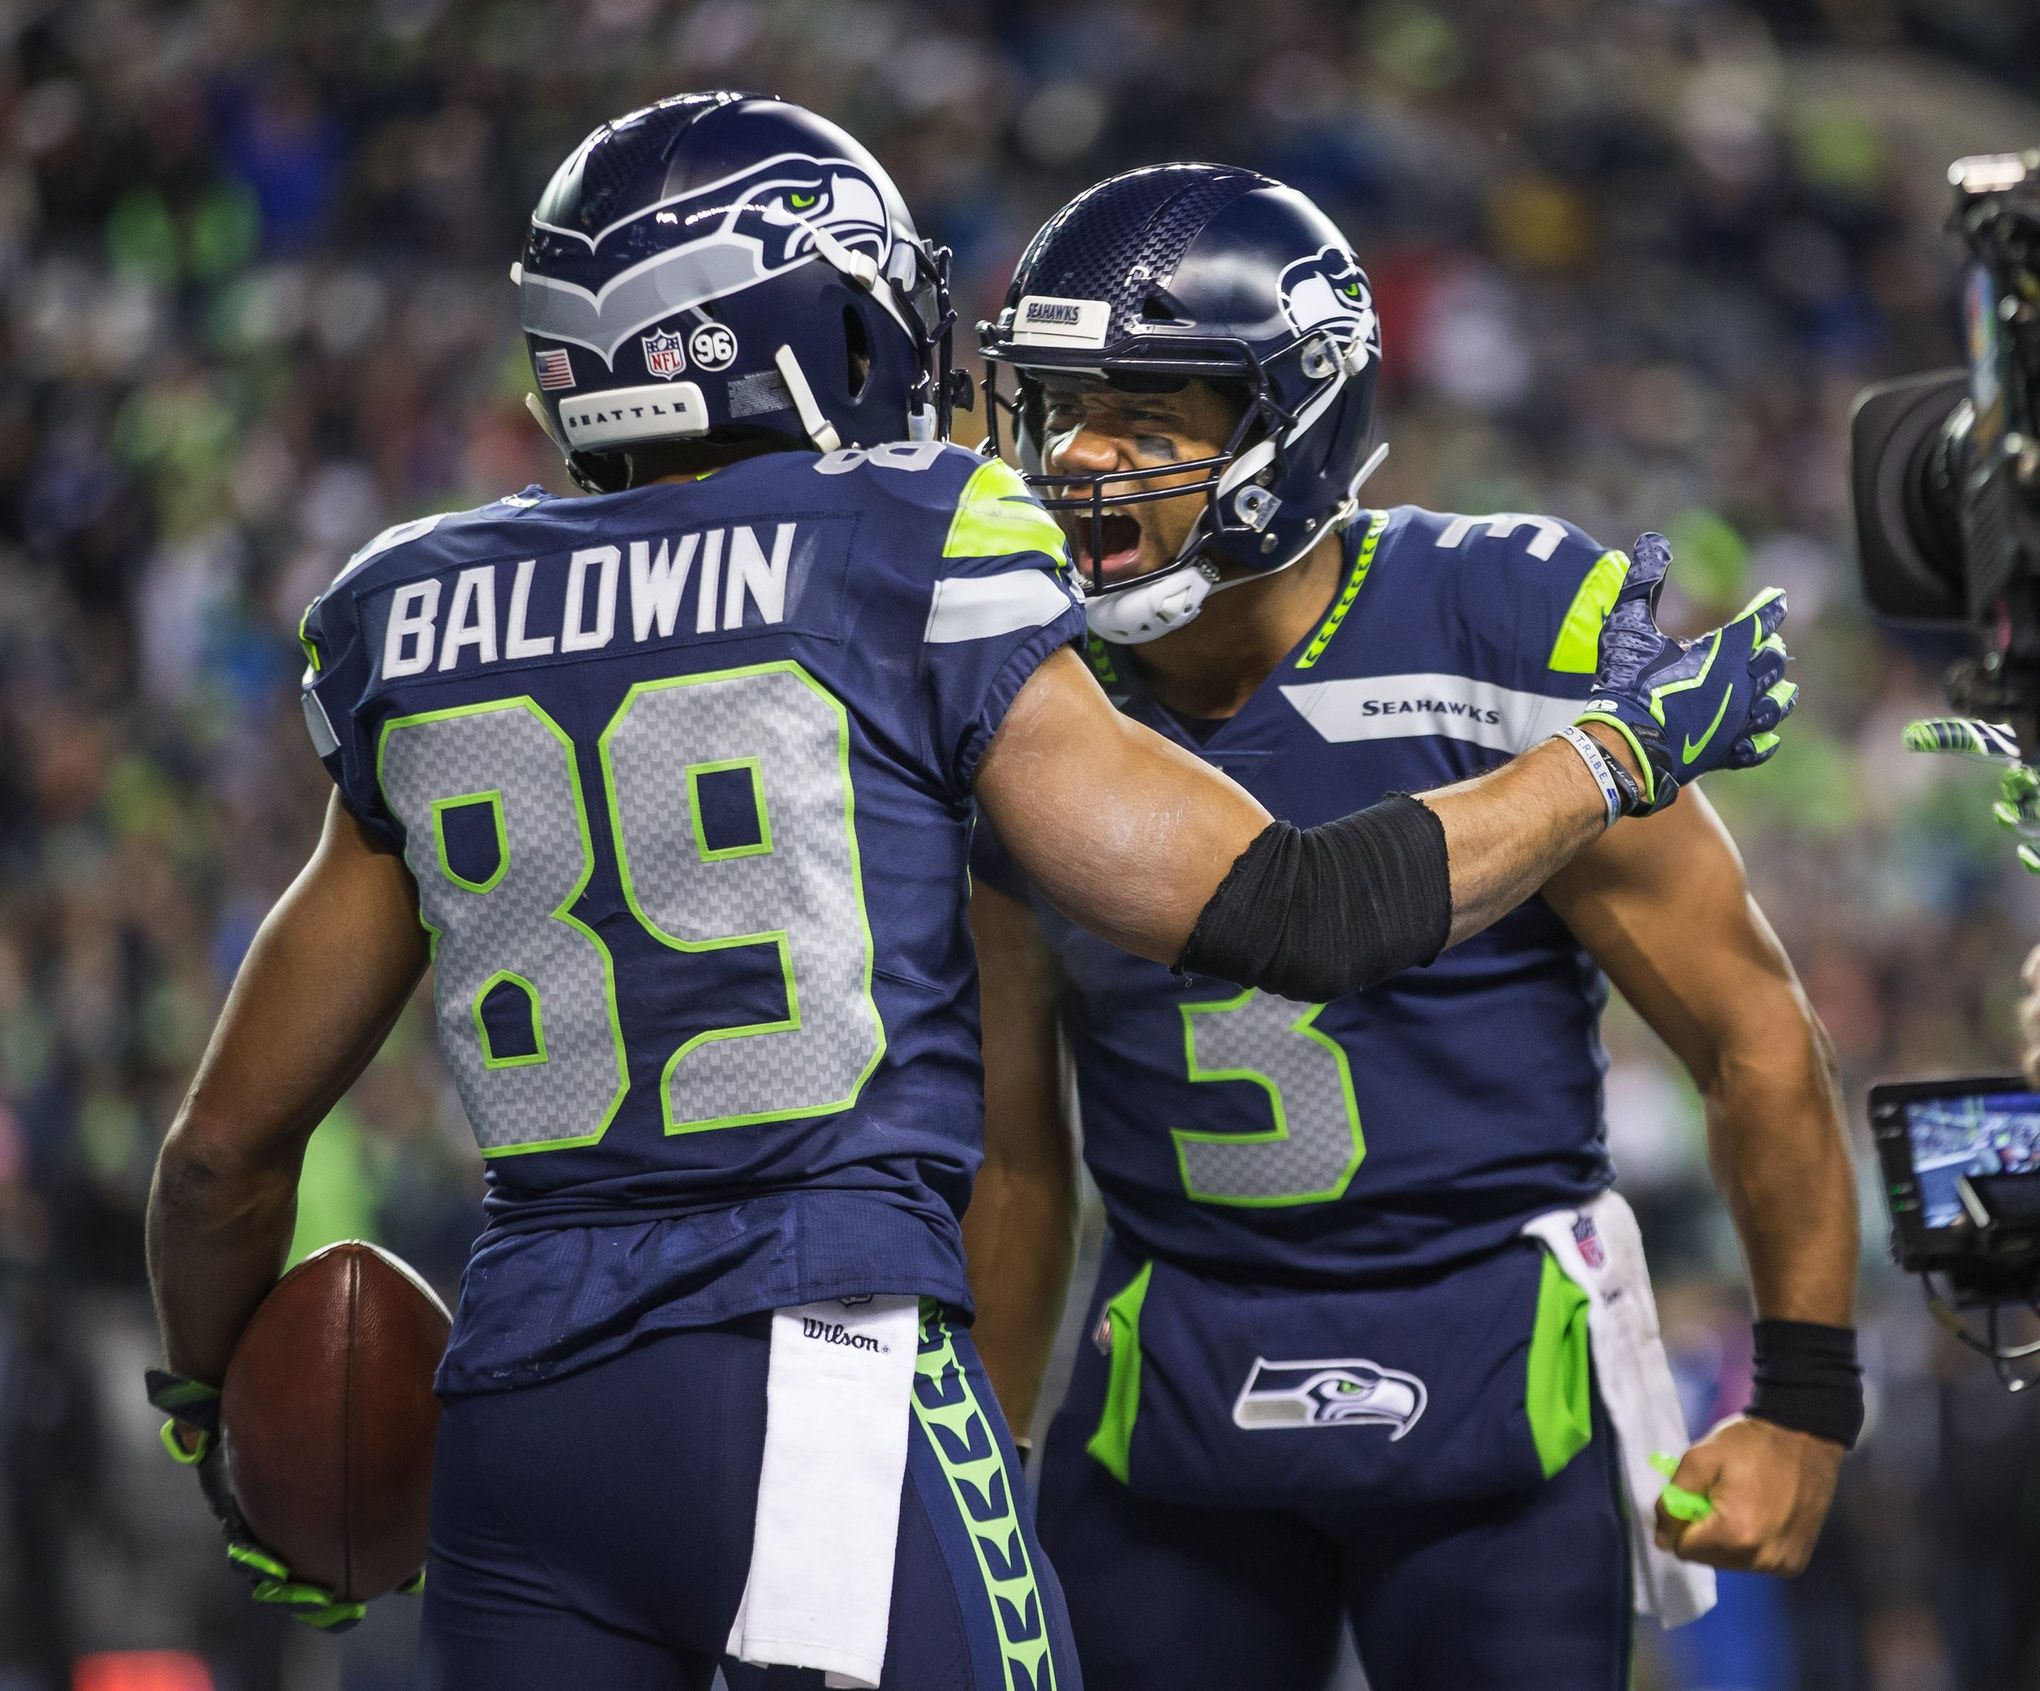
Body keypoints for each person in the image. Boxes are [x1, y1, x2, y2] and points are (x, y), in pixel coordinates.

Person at [142, 100, 1794, 1691]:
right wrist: (1609, 759)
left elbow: (221, 1155)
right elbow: (1298, 907)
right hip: (824, 1363)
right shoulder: (908, 536)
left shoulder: (402, 608)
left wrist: (222, 1418)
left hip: (519, 1396)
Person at [966, 163, 1857, 1691]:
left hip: (1492, 1383)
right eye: (1060, 412)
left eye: (1151, 421)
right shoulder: (1026, 676)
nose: (1082, 465)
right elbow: (1013, 1144)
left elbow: (1749, 1031)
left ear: (1289, 430)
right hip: (1172, 1387)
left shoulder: (1497, 630)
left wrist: (1805, 1405)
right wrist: (983, 1459)